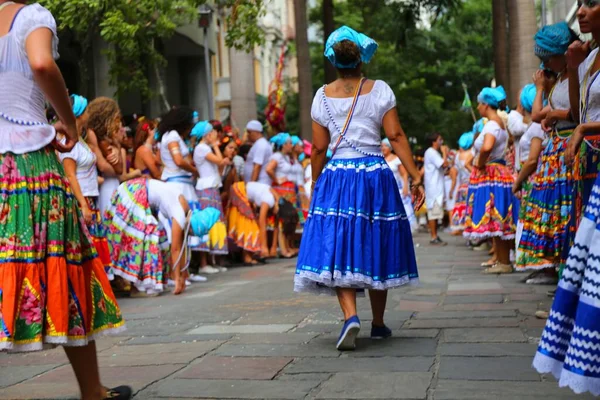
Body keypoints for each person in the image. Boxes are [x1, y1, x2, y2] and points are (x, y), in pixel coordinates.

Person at [0, 2, 130, 399]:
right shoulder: (32, 16)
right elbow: (41, 64)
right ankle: (92, 391)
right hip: (29, 166)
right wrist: (70, 124)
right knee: (70, 264)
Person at [295, 26, 423, 351]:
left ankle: (350, 316)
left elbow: (319, 149)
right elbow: (395, 136)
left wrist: (315, 182)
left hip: (338, 176)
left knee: (340, 243)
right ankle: (378, 324)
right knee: (375, 240)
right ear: (361, 59)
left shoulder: (322, 96)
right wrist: (415, 174)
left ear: (333, 62)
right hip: (374, 175)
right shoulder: (379, 90)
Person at [533, 3, 600, 394]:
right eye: (583, 4)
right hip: (587, 162)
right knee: (584, 247)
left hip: (587, 151)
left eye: (593, 3)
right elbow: (576, 111)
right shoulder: (588, 58)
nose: (584, 12)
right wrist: (574, 68)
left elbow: (576, 119)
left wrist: (581, 129)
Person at [517, 23, 578, 278]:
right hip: (556, 150)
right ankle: (559, 268)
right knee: (555, 211)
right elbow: (536, 115)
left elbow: (578, 110)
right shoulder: (561, 78)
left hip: (571, 146)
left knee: (569, 211)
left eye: (547, 57)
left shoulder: (575, 72)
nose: (545, 64)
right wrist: (543, 91)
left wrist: (553, 112)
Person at [105, 178, 221, 296]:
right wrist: (178, 279)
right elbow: (176, 249)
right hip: (134, 193)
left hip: (142, 195)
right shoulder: (180, 214)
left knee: (162, 240)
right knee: (146, 242)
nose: (188, 234)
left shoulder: (186, 210)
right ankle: (138, 287)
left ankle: (148, 282)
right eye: (190, 232)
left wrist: (183, 275)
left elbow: (182, 246)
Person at [463, 86, 516, 274]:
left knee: (495, 216)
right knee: (498, 216)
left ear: (486, 105)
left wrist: (479, 163)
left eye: (479, 104)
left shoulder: (492, 125)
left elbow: (487, 147)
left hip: (491, 173)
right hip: (499, 172)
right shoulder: (500, 124)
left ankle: (504, 262)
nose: (477, 107)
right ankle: (502, 260)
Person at [191, 120, 230, 273]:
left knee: (215, 223)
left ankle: (213, 261)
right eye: (212, 133)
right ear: (206, 135)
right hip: (205, 189)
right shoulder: (201, 148)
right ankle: (203, 263)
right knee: (206, 223)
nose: (214, 135)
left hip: (211, 188)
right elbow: (220, 161)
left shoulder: (205, 148)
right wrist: (215, 145)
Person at [228, 181, 294, 264]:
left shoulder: (276, 201)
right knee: (250, 225)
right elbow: (262, 223)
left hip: (242, 190)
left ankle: (249, 255)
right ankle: (247, 257)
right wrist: (264, 247)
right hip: (238, 189)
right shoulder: (269, 200)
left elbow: (275, 227)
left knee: (253, 225)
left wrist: (273, 247)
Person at [382, 138, 418, 233]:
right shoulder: (381, 159)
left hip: (399, 188)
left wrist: (406, 186)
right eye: (381, 146)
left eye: (384, 146)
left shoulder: (396, 159)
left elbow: (404, 174)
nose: (382, 148)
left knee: (404, 206)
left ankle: (408, 228)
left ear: (390, 147)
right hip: (386, 188)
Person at [424, 133, 449, 245]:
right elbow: (444, 164)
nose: (441, 142)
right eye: (439, 140)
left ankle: (435, 236)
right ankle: (433, 237)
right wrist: (445, 153)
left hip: (435, 186)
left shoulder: (432, 152)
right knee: (433, 213)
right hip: (434, 187)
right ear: (434, 142)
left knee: (435, 213)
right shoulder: (431, 152)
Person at [450, 133, 474, 235]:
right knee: (472, 209)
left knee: (464, 209)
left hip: (462, 186)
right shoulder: (472, 153)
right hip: (472, 184)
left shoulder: (457, 156)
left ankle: (465, 231)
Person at [243, 120, 273, 184]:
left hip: (260, 184)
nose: (247, 135)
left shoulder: (261, 144)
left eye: (249, 132)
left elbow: (257, 166)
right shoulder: (259, 143)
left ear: (257, 132)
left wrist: (251, 185)